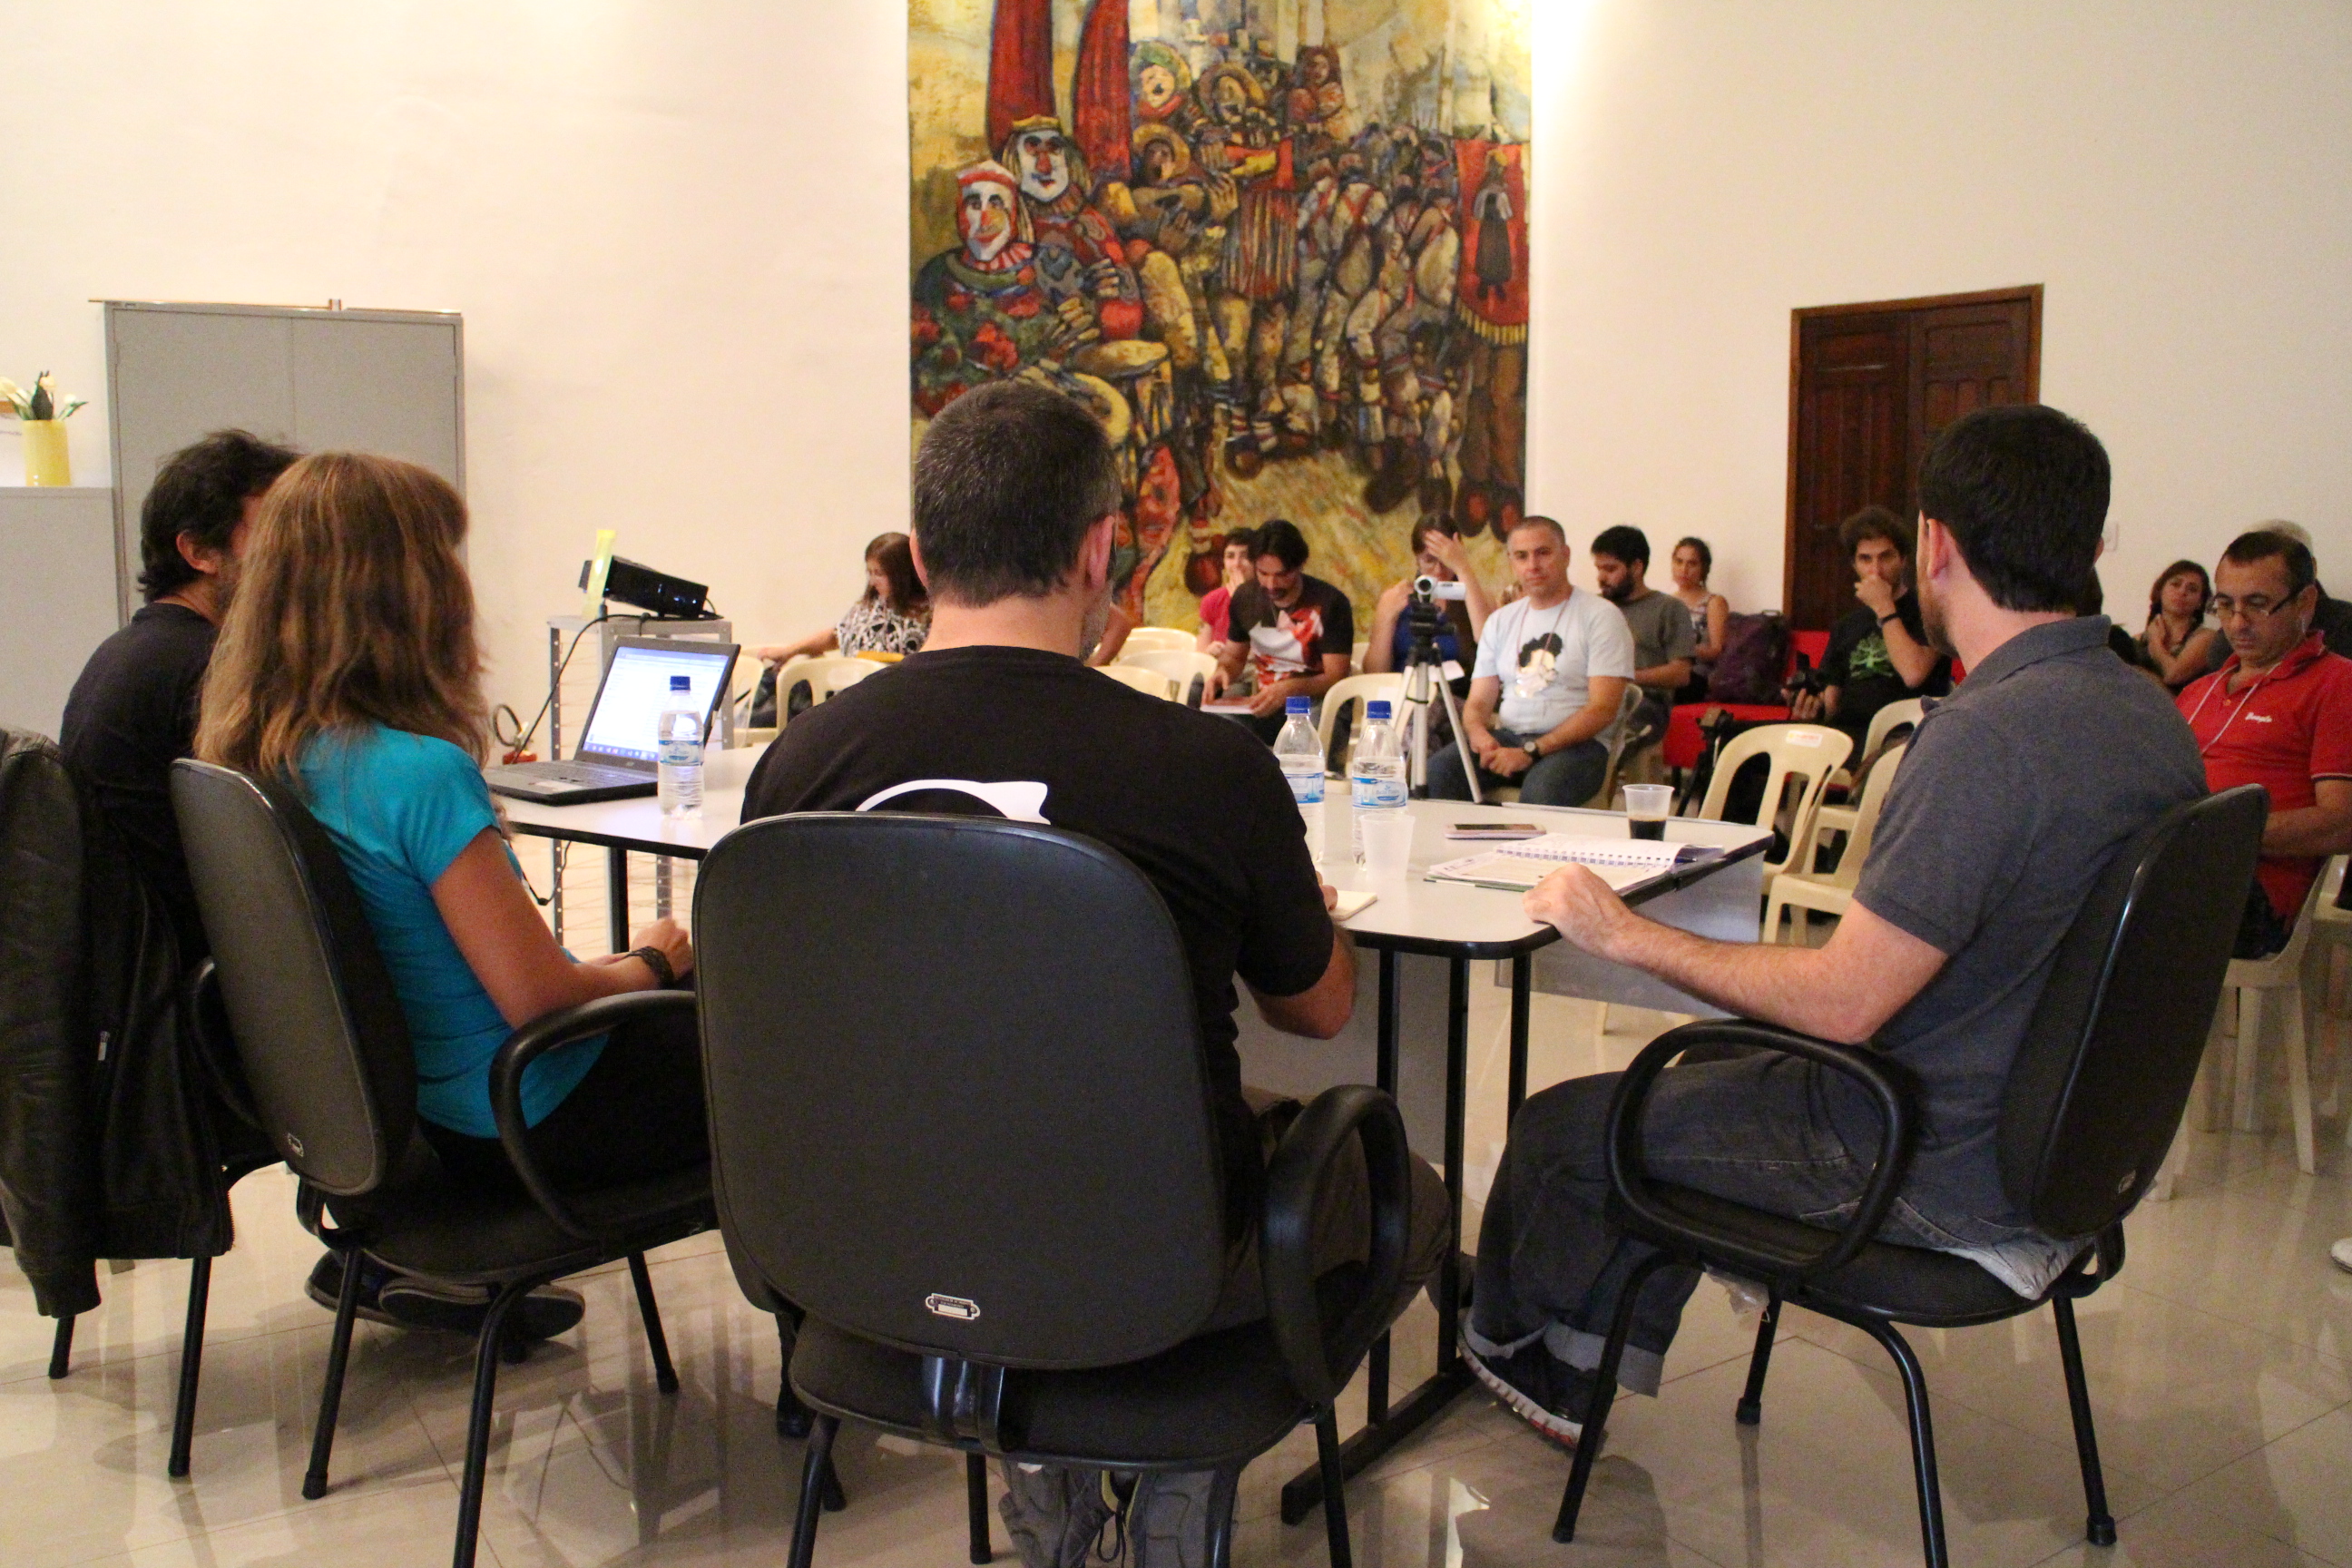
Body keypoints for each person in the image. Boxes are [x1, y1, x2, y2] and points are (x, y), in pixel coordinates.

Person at [740, 381, 1449, 1561]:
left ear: (923, 556)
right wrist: (1298, 909)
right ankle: (1187, 1444)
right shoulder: (1204, 768)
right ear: (1098, 552)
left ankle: (1045, 1465)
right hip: (1143, 1266)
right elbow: (1320, 1009)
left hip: (864, 1239)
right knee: (1403, 1192)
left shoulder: (800, 762)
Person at [1461, 405, 2205, 1448]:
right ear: (2090, 542)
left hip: (1929, 1159)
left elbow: (1846, 1002)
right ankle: (1592, 1340)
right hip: (2064, 1158)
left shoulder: (1988, 739)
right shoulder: (2148, 713)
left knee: (1564, 1132)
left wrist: (1623, 932)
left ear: (1934, 545)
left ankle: (1525, 1362)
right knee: (1691, 1080)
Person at [194, 453, 706, 1338]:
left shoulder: (262, 756)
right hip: (532, 1121)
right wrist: (651, 963)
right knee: (786, 1055)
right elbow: (538, 998)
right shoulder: (417, 774)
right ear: (407, 593)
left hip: (431, 1124)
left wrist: (612, 971)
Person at [61, 429, 299, 956]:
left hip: (143, 968)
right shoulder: (210, 670)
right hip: (198, 977)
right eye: (274, 537)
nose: (295, 560)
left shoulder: (128, 650)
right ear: (198, 551)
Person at [2175, 530, 2352, 958]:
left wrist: (2213, 834)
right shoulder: (2198, 692)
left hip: (2249, 890)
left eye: (2257, 604)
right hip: (2174, 869)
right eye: (2225, 605)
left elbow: (2342, 822)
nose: (2237, 624)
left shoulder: (2337, 683)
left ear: (2305, 602)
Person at [1426, 516, 1633, 808]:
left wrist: (1531, 751)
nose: (1532, 565)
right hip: (1509, 736)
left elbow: (1603, 708)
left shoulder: (1601, 616)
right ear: (1512, 562)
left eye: (1543, 553)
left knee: (1541, 791)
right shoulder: (1500, 621)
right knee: (1437, 773)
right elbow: (1479, 701)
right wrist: (1478, 733)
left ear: (1565, 555)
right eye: (1522, 556)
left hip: (1577, 745)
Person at [1790, 505, 1954, 748]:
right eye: (1865, 559)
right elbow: (1832, 701)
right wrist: (1810, 706)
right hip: (1848, 737)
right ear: (1854, 565)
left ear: (1903, 560)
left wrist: (1884, 608)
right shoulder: (1846, 625)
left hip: (1905, 737)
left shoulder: (1929, 610)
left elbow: (1914, 674)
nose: (1875, 570)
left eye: (1885, 557)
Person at [1207, 517, 1356, 743]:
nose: (1271, 584)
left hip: (1316, 704)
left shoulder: (1331, 603)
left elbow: (1336, 676)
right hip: (1266, 704)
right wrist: (1223, 672)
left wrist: (1288, 689)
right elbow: (1234, 657)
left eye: (1281, 575)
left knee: (1306, 736)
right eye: (1263, 573)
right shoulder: (1245, 597)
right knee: (1216, 726)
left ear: (1300, 565)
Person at [750, 531, 931, 667]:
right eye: (870, 572)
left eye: (879, 573)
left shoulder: (928, 615)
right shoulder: (870, 605)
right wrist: (789, 651)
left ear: (901, 574)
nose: (872, 581)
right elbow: (837, 636)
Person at [1589, 524, 1695, 748]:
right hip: (1591, 697)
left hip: (1644, 701)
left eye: (1610, 569)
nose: (1601, 577)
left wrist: (1621, 677)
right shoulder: (1593, 607)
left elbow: (1680, 674)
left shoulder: (1669, 608)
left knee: (1604, 733)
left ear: (1636, 567)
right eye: (1598, 569)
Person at [1363, 517, 1493, 675]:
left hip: (1456, 687)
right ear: (1417, 559)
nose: (1439, 570)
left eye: (1446, 561)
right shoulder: (1396, 598)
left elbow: (1491, 647)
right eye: (1430, 560)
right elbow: (1374, 672)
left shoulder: (1477, 597)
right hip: (1404, 685)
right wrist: (1386, 617)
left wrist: (1462, 567)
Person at [2138, 558, 2222, 691]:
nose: (2182, 592)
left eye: (2192, 589)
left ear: (2201, 601)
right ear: (2160, 590)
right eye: (2175, 584)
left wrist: (2155, 643)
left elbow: (2173, 675)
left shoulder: (2206, 637)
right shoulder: (2138, 640)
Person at [1668, 536, 1729, 700]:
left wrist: (1680, 648)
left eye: (1692, 564)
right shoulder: (1667, 602)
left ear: (1703, 568)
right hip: (1667, 669)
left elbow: (1717, 651)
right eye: (1679, 562)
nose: (1684, 569)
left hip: (1697, 675)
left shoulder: (1714, 602)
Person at [1194, 527, 1257, 652]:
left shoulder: (1271, 598)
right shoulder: (1212, 600)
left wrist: (1241, 602)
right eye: (1230, 556)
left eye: (1245, 556)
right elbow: (1200, 654)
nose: (1237, 564)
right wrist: (1209, 652)